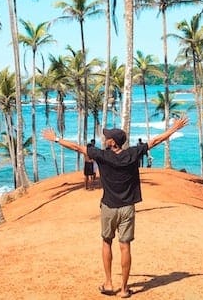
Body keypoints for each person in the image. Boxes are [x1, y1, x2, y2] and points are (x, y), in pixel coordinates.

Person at [42, 116, 189, 298]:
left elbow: (76, 147)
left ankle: (109, 283)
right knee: (125, 246)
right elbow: (156, 141)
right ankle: (125, 289)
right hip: (127, 207)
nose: (104, 138)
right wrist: (174, 128)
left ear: (112, 142)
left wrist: (55, 139)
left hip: (109, 207)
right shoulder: (132, 154)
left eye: (107, 137)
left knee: (106, 241)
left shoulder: (102, 156)